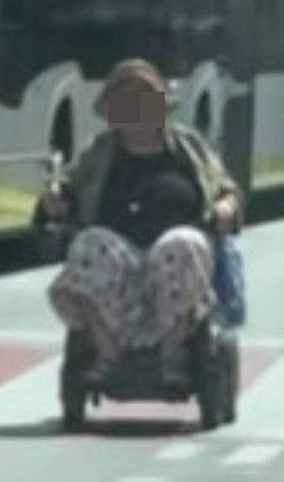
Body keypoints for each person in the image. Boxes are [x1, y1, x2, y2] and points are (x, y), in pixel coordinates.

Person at [43, 58, 243, 385]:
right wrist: (56, 201)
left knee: (179, 244)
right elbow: (67, 190)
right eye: (125, 102)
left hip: (176, 248)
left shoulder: (188, 147)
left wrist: (224, 207)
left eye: (144, 100)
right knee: (91, 244)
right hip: (119, 254)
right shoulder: (101, 150)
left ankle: (169, 357)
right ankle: (109, 357)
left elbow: (227, 191)